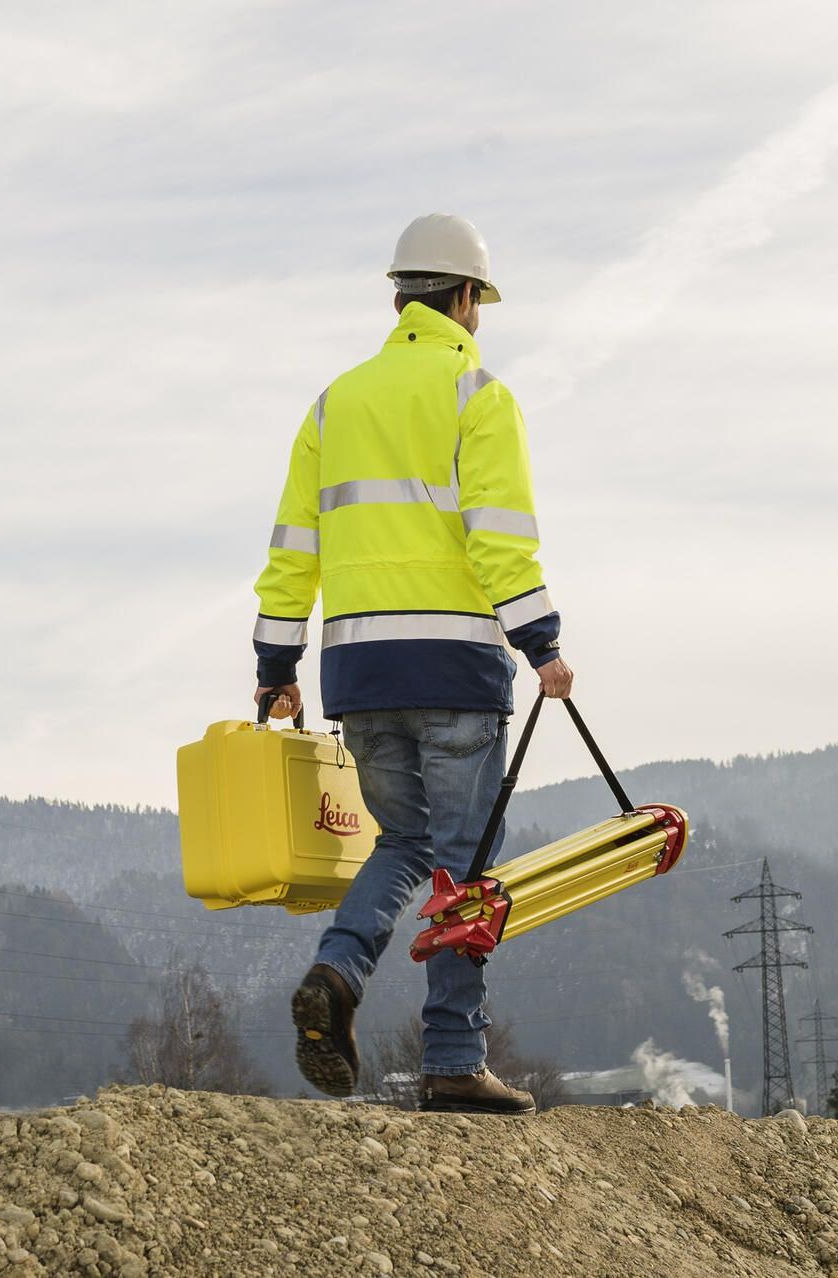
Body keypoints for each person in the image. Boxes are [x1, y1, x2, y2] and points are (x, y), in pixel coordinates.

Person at [251, 213, 573, 1114]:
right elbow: (499, 537)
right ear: (465, 298)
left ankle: (338, 970)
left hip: (360, 673)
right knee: (465, 868)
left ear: (400, 295)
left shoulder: (334, 402)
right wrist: (540, 641)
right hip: (455, 669)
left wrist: (277, 659)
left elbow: (291, 549)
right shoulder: (478, 394)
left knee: (402, 842)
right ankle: (451, 1058)